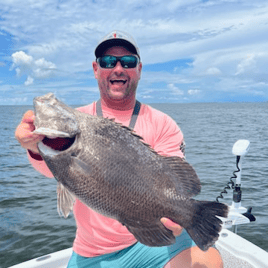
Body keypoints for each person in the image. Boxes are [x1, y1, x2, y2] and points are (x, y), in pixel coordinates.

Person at [15, 30, 223, 268]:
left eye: (128, 61)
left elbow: (176, 182)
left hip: (149, 242)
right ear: (96, 69)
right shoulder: (81, 119)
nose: (117, 68)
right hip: (92, 251)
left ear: (139, 70)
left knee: (209, 262)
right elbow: (53, 169)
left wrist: (182, 216)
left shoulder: (163, 123)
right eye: (107, 62)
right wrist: (34, 146)